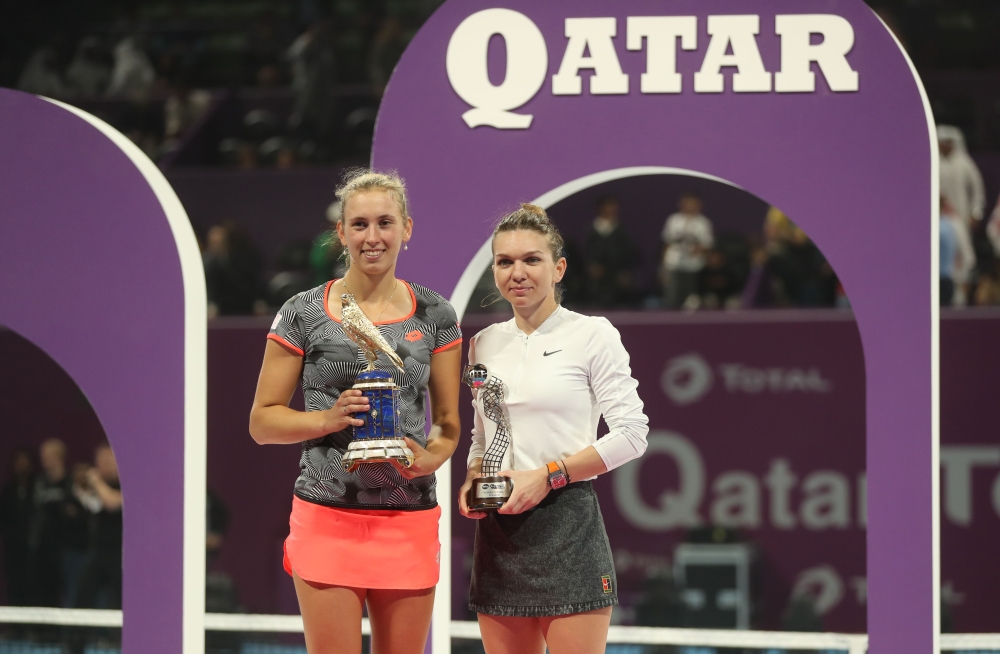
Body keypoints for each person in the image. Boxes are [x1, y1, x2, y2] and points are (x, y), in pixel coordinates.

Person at [250, 169, 462, 654]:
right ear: (341, 233)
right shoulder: (302, 312)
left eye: (385, 223)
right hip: (326, 519)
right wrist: (325, 419)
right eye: (360, 224)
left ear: (406, 229)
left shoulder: (437, 315)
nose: (373, 237)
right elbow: (262, 421)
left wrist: (432, 457)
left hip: (408, 519)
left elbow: (449, 424)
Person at [459, 204, 649, 654]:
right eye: (505, 262)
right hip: (499, 536)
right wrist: (472, 477)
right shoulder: (483, 344)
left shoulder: (593, 334)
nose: (517, 273)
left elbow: (632, 433)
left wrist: (549, 475)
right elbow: (482, 434)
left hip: (570, 527)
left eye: (532, 260)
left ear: (558, 267)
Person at [76, 443, 123, 609]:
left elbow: (112, 503)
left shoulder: (128, 484)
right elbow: (92, 505)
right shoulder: (97, 487)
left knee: (119, 600)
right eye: (100, 460)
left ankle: (117, 635)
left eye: (108, 459)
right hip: (98, 551)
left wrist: (95, 480)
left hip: (121, 555)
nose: (104, 464)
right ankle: (79, 634)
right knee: (83, 595)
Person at [661, 192, 713, 309]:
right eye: (687, 203)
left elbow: (708, 245)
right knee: (672, 300)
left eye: (693, 203)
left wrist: (699, 249)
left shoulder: (703, 223)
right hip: (673, 265)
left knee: (692, 301)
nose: (690, 206)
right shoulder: (673, 220)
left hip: (694, 267)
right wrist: (663, 267)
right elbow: (666, 243)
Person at [583, 195, 636, 307]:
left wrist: (624, 270)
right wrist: (592, 265)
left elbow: (626, 250)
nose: (612, 210)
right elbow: (589, 249)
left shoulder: (620, 228)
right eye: (609, 207)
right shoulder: (594, 228)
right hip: (599, 271)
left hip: (616, 271)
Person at [0, 448, 35, 606]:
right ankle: (15, 628)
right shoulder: (8, 490)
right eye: (18, 461)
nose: (22, 465)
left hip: (34, 549)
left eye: (25, 461)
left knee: (33, 585)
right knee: (14, 585)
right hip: (13, 549)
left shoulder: (37, 487)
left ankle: (34, 628)